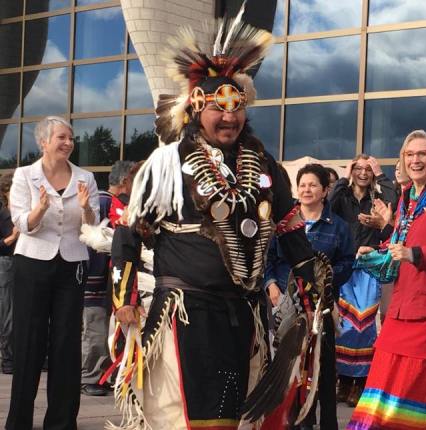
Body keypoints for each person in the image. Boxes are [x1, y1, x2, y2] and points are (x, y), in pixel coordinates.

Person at [109, 13, 320, 430]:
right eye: (217, 109)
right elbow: (127, 234)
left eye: (236, 108)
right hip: (185, 310)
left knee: (234, 415)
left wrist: (311, 283)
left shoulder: (264, 164)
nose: (229, 118)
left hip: (243, 310)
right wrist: (124, 299)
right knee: (180, 414)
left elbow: (290, 228)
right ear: (196, 109)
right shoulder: (167, 163)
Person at [347, 129, 426, 429]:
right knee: (383, 374)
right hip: (406, 301)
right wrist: (379, 249)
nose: (415, 160)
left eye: (422, 154)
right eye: (409, 154)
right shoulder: (407, 196)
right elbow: (402, 240)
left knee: (419, 384)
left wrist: (412, 254)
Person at [6, 115, 99, 430]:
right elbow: (21, 223)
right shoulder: (25, 175)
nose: (68, 143)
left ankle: (61, 421)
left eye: (71, 138)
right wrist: (40, 209)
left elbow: (92, 227)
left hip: (72, 264)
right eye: (61, 137)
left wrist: (86, 208)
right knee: (28, 341)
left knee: (66, 342)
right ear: (43, 141)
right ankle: (19, 421)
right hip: (32, 262)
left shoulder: (86, 177)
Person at [265, 163, 355, 430]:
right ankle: (292, 423)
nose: (307, 190)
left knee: (322, 369)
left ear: (325, 190)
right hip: (286, 307)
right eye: (302, 185)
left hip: (321, 308)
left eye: (313, 185)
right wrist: (271, 285)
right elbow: (269, 260)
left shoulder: (338, 226)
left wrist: (325, 280)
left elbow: (347, 262)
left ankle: (326, 424)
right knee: (288, 369)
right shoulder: (283, 225)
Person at [329, 153, 397, 406]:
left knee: (364, 325)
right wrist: (343, 177)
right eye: (358, 168)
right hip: (345, 266)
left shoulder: (376, 198)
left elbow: (393, 203)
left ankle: (360, 381)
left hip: (369, 266)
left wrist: (381, 174)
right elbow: (329, 205)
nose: (363, 173)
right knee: (344, 326)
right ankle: (344, 380)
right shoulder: (343, 196)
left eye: (368, 169)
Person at [81, 160, 135, 397]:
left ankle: (106, 374)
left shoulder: (121, 204)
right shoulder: (103, 202)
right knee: (96, 330)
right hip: (97, 279)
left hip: (112, 280)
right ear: (125, 181)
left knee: (109, 330)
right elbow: (92, 236)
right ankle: (90, 376)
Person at [0, 174, 18, 375]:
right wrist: (11, 238)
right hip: (7, 263)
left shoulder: (25, 210)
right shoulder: (3, 213)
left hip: (26, 263)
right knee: (9, 313)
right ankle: (8, 358)